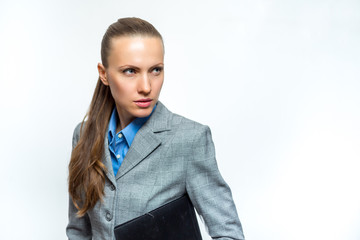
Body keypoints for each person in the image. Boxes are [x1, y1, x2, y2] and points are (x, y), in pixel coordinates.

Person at [66, 17, 245, 240]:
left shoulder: (189, 139)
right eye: (130, 71)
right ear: (104, 74)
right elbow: (78, 231)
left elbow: (229, 234)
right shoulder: (83, 136)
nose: (146, 87)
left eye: (155, 70)